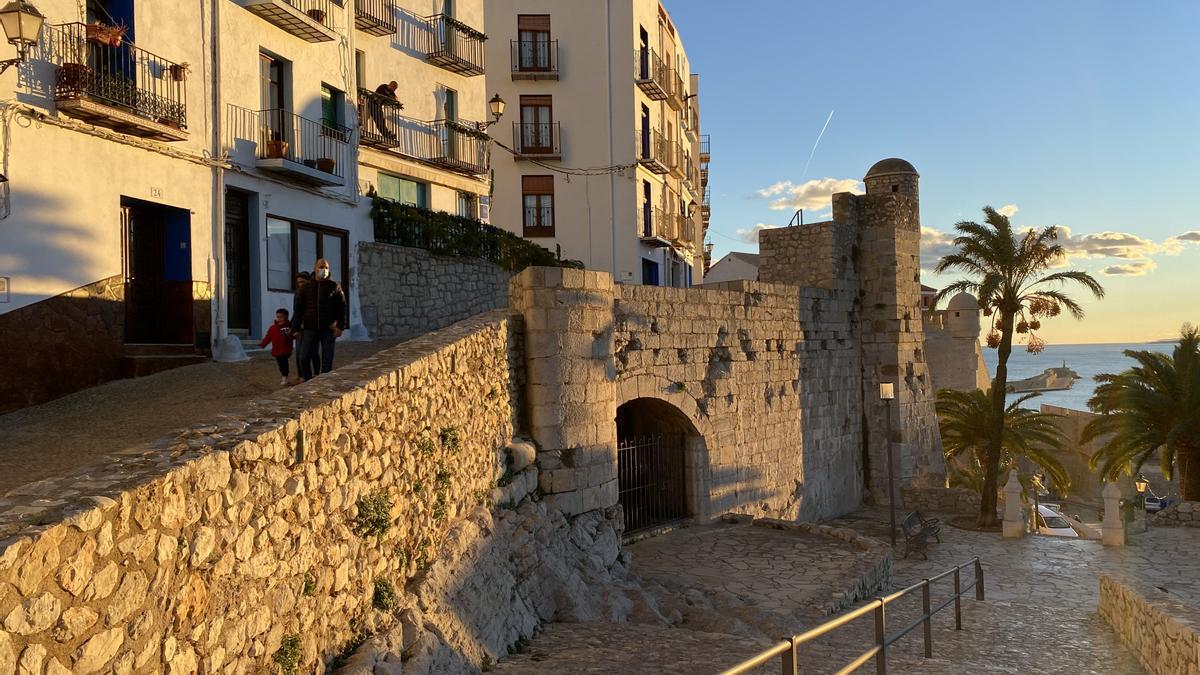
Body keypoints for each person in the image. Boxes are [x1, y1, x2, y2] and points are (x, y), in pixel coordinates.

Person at [293, 258, 346, 381]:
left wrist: (340, 326)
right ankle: (308, 381)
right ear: (315, 268)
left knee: (327, 361)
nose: (324, 270)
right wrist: (295, 327)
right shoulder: (306, 287)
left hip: (328, 329)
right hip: (309, 329)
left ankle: (323, 384)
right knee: (303, 357)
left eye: (326, 267)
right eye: (321, 267)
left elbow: (342, 307)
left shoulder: (335, 286)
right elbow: (298, 309)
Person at [259, 308, 296, 386]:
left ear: (286, 317)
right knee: (280, 363)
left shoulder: (289, 327)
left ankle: (285, 376)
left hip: (286, 349)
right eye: (277, 317)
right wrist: (263, 344)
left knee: (283, 362)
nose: (279, 319)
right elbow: (268, 337)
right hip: (277, 350)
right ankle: (284, 375)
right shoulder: (273, 328)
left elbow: (293, 336)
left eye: (281, 317)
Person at [292, 271, 320, 378]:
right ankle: (302, 376)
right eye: (298, 282)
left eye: (302, 282)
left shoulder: (313, 293)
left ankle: (317, 374)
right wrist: (295, 327)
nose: (300, 285)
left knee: (313, 353)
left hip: (312, 327)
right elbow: (296, 311)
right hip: (300, 327)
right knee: (299, 353)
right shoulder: (297, 293)